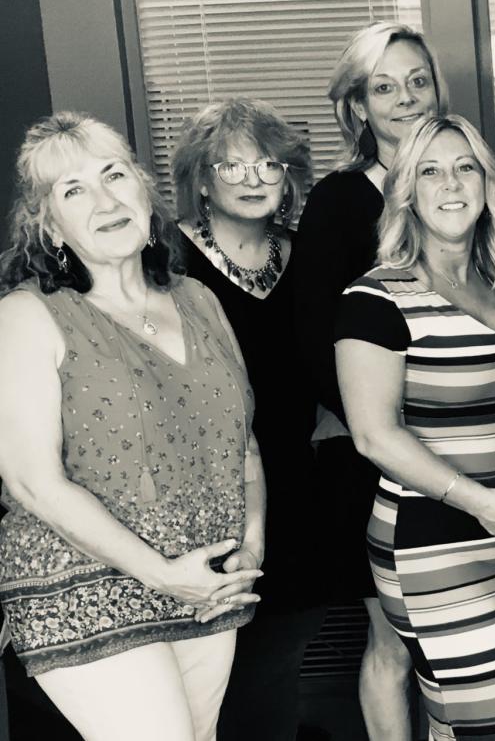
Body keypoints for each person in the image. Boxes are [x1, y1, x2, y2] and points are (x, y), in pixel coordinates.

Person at [0, 112, 264, 741]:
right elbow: (32, 482)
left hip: (206, 584)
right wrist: (161, 572)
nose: (104, 199)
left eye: (114, 175)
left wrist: (251, 548)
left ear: (144, 190)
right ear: (49, 226)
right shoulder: (26, 316)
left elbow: (244, 447)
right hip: (83, 588)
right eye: (73, 190)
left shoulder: (199, 300)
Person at [335, 114, 495, 741]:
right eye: (431, 170)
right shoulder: (375, 301)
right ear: (407, 191)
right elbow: (375, 436)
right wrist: (482, 502)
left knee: (466, 721)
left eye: (465, 168)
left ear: (487, 183)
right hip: (431, 544)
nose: (451, 184)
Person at [291, 20, 447, 739]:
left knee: (455, 640)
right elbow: (314, 338)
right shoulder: (339, 200)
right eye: (384, 87)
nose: (406, 98)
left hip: (464, 446)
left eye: (418, 80)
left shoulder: (460, 183)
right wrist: (383, 426)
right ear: (357, 106)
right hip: (369, 456)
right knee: (392, 638)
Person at [171, 98, 323, 741]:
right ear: (201, 180)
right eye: (231, 166)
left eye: (268, 163)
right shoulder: (168, 260)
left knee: (277, 664)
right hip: (206, 486)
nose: (255, 177)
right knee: (208, 675)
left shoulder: (309, 253)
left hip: (298, 483)